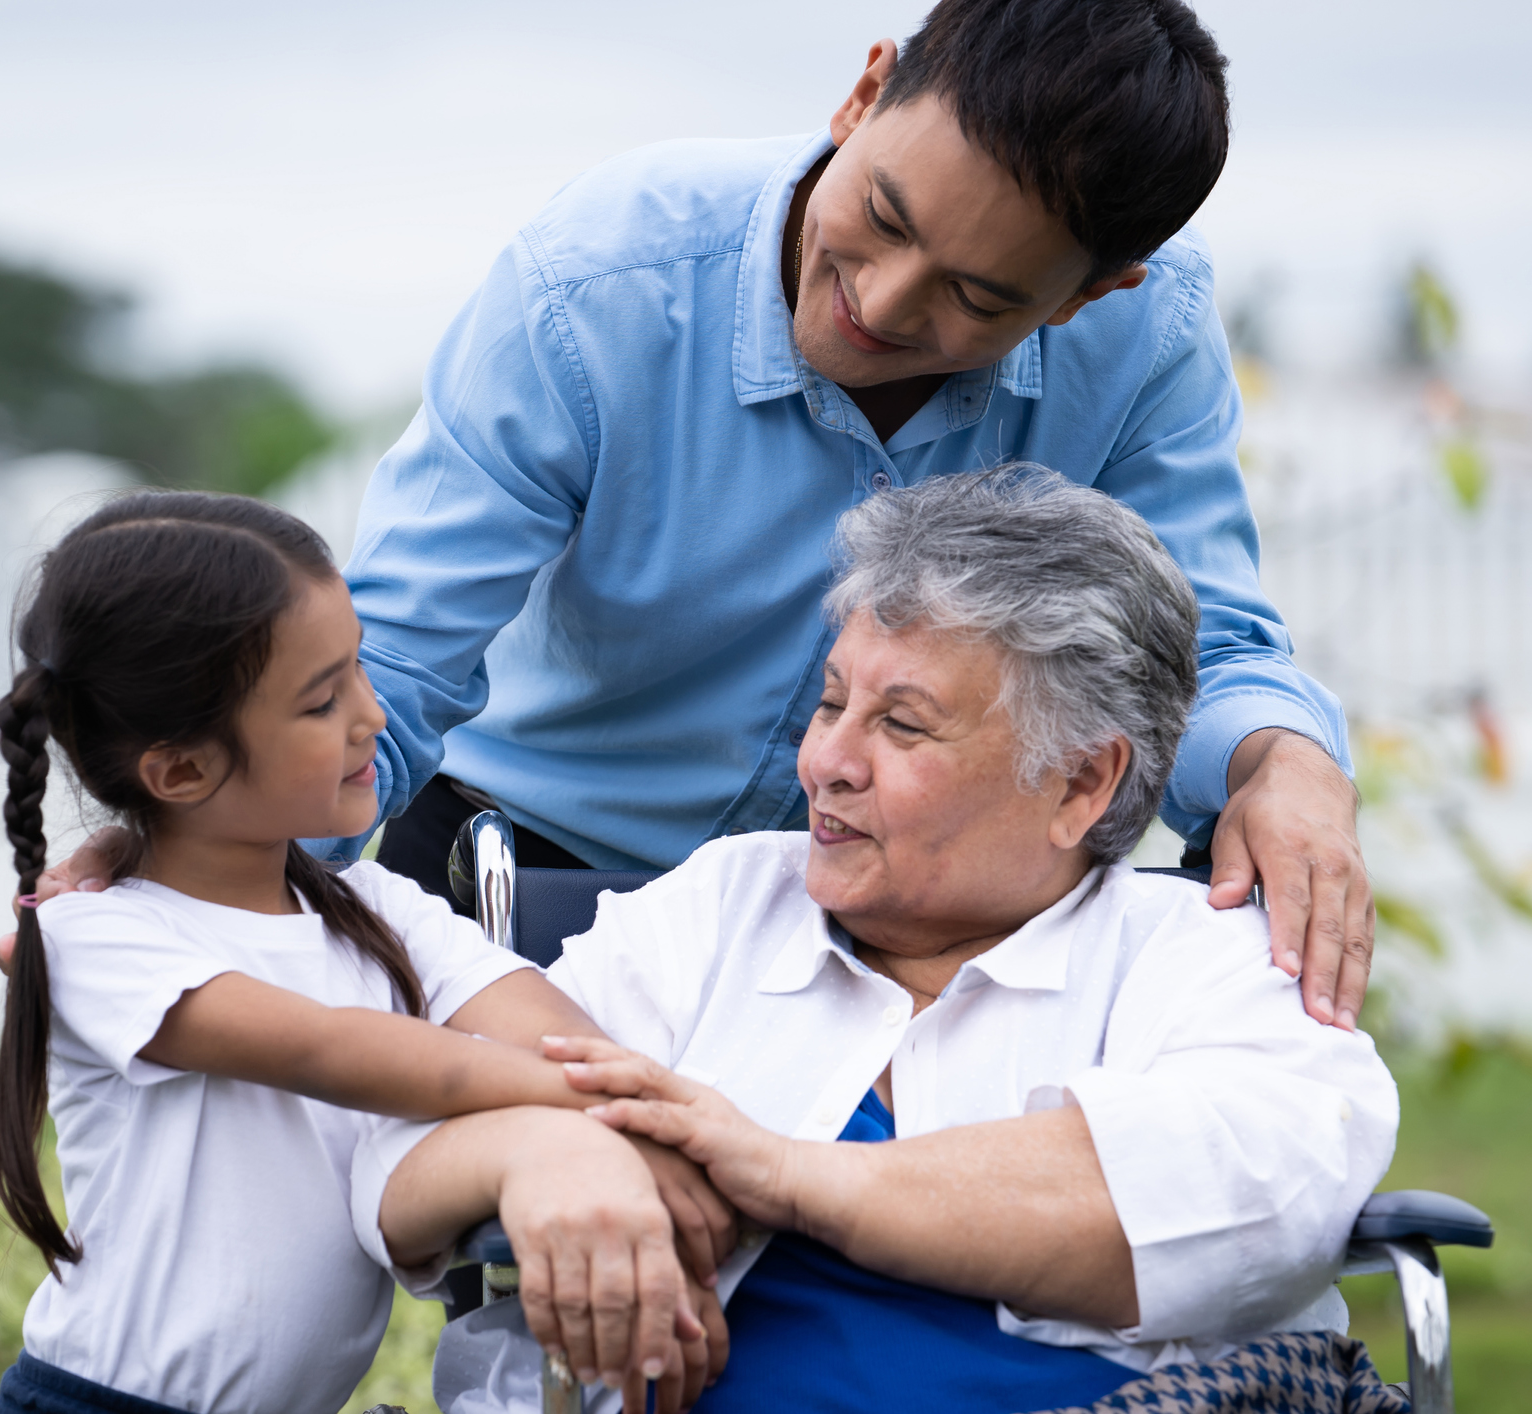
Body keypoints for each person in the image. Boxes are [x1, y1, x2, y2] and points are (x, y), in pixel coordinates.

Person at [336, 0, 1376, 1031]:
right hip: (524, 887)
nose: (879, 306)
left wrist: (1282, 766)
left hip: (905, 931)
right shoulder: (595, 284)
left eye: (977, 296)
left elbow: (1202, 652)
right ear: (864, 92)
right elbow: (391, 666)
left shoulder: (1150, 335)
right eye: (884, 217)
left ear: (1091, 296)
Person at [359, 468, 1400, 1414]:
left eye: (902, 726)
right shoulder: (715, 912)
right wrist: (538, 1149)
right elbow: (392, 1165)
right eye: (829, 702)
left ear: (1083, 780)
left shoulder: (1205, 954)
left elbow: (1253, 1188)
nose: (828, 762)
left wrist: (782, 1176)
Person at [0, 492, 714, 1414]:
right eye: (323, 699)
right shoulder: (101, 936)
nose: (373, 716)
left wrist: (605, 1097)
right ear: (181, 770)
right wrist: (645, 1107)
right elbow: (340, 1051)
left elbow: (556, 1033)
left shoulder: (374, 907)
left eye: (360, 668)